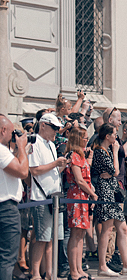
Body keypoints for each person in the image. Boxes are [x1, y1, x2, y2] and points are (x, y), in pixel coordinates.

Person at [91, 124, 127, 277]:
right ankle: (102, 265)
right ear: (107, 136)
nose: (116, 137)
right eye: (114, 134)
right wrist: (114, 152)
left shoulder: (105, 151)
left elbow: (113, 173)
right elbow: (115, 171)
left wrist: (112, 170)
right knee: (106, 230)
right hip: (105, 193)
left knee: (122, 228)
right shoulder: (100, 151)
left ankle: (126, 264)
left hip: (112, 192)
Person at [28, 112, 67, 280]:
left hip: (54, 195)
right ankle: (35, 272)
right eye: (54, 128)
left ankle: (50, 272)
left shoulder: (51, 145)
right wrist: (55, 163)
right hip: (41, 196)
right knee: (42, 237)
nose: (56, 132)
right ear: (43, 125)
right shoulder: (35, 143)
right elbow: (34, 170)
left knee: (52, 238)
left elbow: (52, 171)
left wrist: (62, 165)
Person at [65, 127, 97, 280]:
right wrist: (93, 194)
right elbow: (79, 180)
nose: (86, 139)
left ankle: (79, 268)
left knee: (81, 233)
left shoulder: (81, 156)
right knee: (75, 233)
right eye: (84, 137)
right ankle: (73, 271)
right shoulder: (74, 156)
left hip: (84, 196)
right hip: (76, 195)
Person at [0, 116, 28, 280]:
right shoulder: (2, 150)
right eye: (12, 133)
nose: (14, 137)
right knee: (7, 258)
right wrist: (22, 148)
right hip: (6, 209)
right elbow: (23, 172)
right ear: (3, 130)